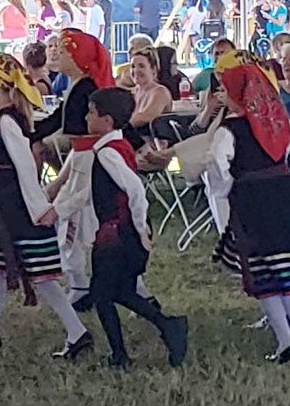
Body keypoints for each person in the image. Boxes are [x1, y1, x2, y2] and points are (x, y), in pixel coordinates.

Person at [0, 53, 94, 359]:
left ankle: (77, 331)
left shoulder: (6, 121)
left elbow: (25, 168)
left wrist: (39, 207)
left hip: (18, 209)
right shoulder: (4, 119)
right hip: (6, 208)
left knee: (42, 276)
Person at [207, 50, 290, 364]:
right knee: (288, 267)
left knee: (264, 274)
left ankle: (286, 342)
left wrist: (225, 188)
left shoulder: (230, 129)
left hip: (254, 202)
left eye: (226, 89)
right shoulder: (276, 120)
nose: (221, 94)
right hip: (288, 196)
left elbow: (217, 163)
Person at [61, 87, 187, 369]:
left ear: (106, 120)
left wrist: (141, 230)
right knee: (119, 291)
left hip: (116, 233)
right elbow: (96, 192)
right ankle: (164, 328)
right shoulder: (116, 147)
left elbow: (135, 189)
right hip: (122, 231)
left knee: (103, 295)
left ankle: (124, 352)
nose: (86, 117)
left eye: (92, 112)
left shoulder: (107, 153)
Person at [32, 30, 115, 143]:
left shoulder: (84, 88)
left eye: (62, 53)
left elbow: (72, 129)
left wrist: (33, 136)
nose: (58, 56)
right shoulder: (79, 84)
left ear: (75, 58)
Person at [129, 48, 173, 129]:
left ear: (153, 69)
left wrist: (118, 124)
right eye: (133, 66)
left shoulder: (160, 92)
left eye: (141, 66)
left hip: (154, 140)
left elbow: (145, 117)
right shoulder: (132, 92)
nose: (136, 70)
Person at [179, 0, 206, 65]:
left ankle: (187, 62)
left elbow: (184, 20)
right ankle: (199, 61)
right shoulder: (203, 10)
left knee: (187, 47)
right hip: (196, 29)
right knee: (197, 47)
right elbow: (203, 21)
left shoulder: (191, 9)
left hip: (187, 29)